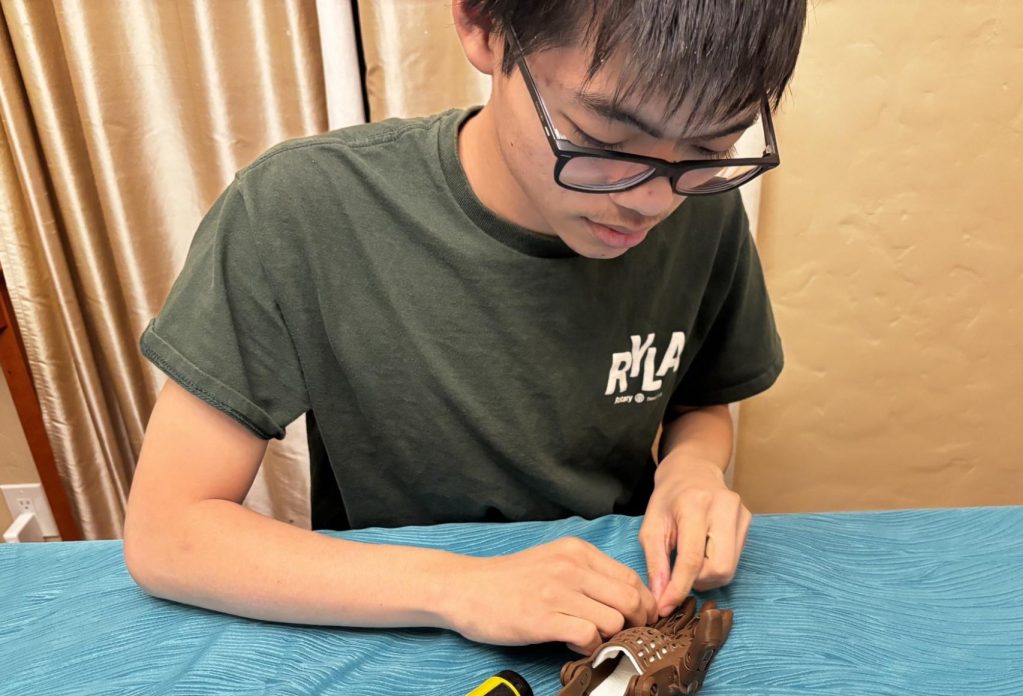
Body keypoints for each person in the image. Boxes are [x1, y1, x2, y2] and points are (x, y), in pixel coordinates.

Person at [123, 0, 807, 654]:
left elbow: (700, 400)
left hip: (620, 610)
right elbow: (169, 531)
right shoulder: (301, 211)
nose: (649, 199)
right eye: (604, 139)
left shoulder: (699, 211)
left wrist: (690, 472)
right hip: (390, 627)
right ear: (484, 25)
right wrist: (462, 588)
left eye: (709, 148)